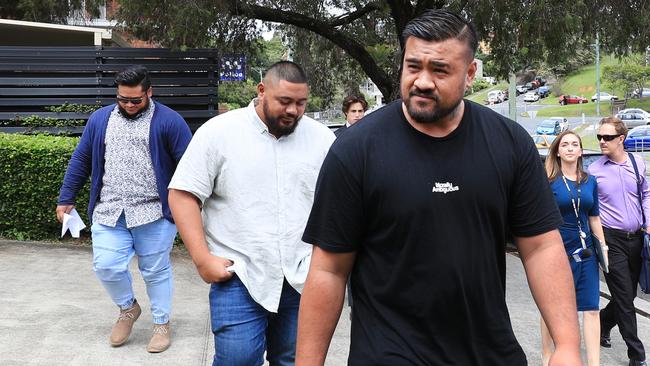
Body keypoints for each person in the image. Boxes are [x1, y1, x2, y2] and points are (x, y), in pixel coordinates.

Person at [296, 9, 582, 365]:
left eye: (440, 69)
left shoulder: (509, 144)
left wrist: (568, 345)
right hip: (388, 354)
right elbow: (328, 269)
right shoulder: (356, 150)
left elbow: (541, 247)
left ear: (470, 73)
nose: (422, 81)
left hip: (489, 353)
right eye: (413, 66)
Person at [167, 61, 335, 366]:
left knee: (293, 360)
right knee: (237, 360)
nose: (293, 111)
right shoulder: (219, 133)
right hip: (239, 272)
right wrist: (202, 259)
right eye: (285, 101)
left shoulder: (323, 140)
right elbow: (183, 194)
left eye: (301, 103)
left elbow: (338, 205)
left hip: (302, 276)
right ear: (261, 91)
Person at [56, 65, 192, 353]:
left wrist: (191, 207)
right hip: (109, 211)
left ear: (149, 92)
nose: (129, 106)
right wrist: (66, 198)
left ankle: (161, 324)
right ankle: (128, 308)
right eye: (123, 100)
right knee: (105, 266)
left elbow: (189, 168)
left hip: (154, 212)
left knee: (155, 271)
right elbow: (82, 159)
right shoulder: (100, 119)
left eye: (135, 100)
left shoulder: (169, 121)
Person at [541, 131, 607, 366]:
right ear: (557, 151)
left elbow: (594, 217)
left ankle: (594, 363)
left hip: (586, 252)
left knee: (591, 308)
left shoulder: (590, 181)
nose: (570, 148)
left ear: (581, 151)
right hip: (557, 252)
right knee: (553, 309)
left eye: (575, 145)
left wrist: (603, 246)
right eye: (565, 144)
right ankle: (547, 357)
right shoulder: (548, 181)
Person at [589, 117, 648, 366]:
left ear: (621, 139)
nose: (602, 141)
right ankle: (637, 355)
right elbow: (590, 208)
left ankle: (603, 322)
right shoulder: (594, 170)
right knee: (624, 297)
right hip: (610, 240)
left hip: (637, 239)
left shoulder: (637, 162)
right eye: (600, 137)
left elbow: (646, 193)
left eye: (608, 137)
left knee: (626, 295)